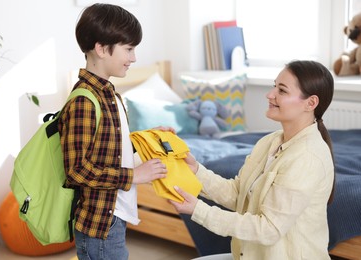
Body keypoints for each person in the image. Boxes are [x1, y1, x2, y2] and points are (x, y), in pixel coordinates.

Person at [170, 60, 335, 260]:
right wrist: (196, 170)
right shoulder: (269, 142)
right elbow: (238, 194)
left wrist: (198, 210)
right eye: (274, 86)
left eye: (282, 90)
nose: (270, 94)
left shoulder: (308, 157)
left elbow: (268, 229)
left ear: (311, 103)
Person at [58, 3, 172, 260]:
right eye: (129, 49)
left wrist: (148, 137)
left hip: (113, 217)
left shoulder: (110, 94)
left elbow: (110, 147)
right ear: (101, 48)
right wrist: (133, 176)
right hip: (100, 226)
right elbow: (77, 171)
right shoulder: (83, 101)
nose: (134, 58)